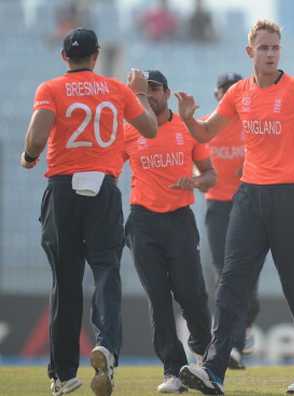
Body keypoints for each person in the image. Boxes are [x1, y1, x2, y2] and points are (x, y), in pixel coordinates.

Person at [175, 19, 294, 395]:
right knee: (231, 282)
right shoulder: (238, 92)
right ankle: (214, 370)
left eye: (275, 48)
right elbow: (205, 133)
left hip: (288, 198)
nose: (270, 54)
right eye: (264, 48)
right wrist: (188, 118)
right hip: (249, 197)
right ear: (249, 51)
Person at [20, 28, 157, 396]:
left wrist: (30, 156)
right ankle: (107, 346)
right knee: (106, 272)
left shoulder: (50, 89)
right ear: (96, 55)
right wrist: (140, 92)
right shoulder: (116, 90)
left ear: (65, 57)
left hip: (63, 190)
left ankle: (63, 375)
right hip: (104, 189)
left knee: (65, 283)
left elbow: (35, 137)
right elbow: (150, 127)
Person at [122, 70, 215, 393]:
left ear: (167, 92)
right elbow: (107, 164)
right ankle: (172, 371)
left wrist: (195, 182)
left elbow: (210, 175)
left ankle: (202, 355)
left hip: (179, 220)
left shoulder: (185, 129)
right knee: (158, 300)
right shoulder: (130, 130)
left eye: (155, 89)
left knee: (192, 295)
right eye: (144, 91)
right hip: (143, 222)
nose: (150, 95)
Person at [204, 72, 262, 370]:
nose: (228, 97)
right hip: (217, 207)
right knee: (224, 275)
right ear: (217, 96)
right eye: (223, 91)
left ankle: (238, 333)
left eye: (233, 91)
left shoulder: (253, 125)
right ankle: (232, 346)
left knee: (247, 285)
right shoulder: (206, 127)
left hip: (248, 207)